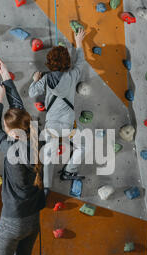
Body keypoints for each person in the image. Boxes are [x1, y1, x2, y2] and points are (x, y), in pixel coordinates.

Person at [0, 58, 46, 255]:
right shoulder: (35, 138)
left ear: (12, 133)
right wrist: (5, 77)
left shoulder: (11, 149)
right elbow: (19, 111)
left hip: (12, 222)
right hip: (32, 221)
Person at [29, 28, 87, 198]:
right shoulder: (73, 75)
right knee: (82, 147)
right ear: (67, 62)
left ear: (49, 63)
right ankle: (69, 171)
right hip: (69, 125)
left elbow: (32, 92)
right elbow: (80, 62)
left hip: (52, 125)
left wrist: (35, 80)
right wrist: (79, 42)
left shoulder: (46, 79)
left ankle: (46, 188)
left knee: (49, 154)